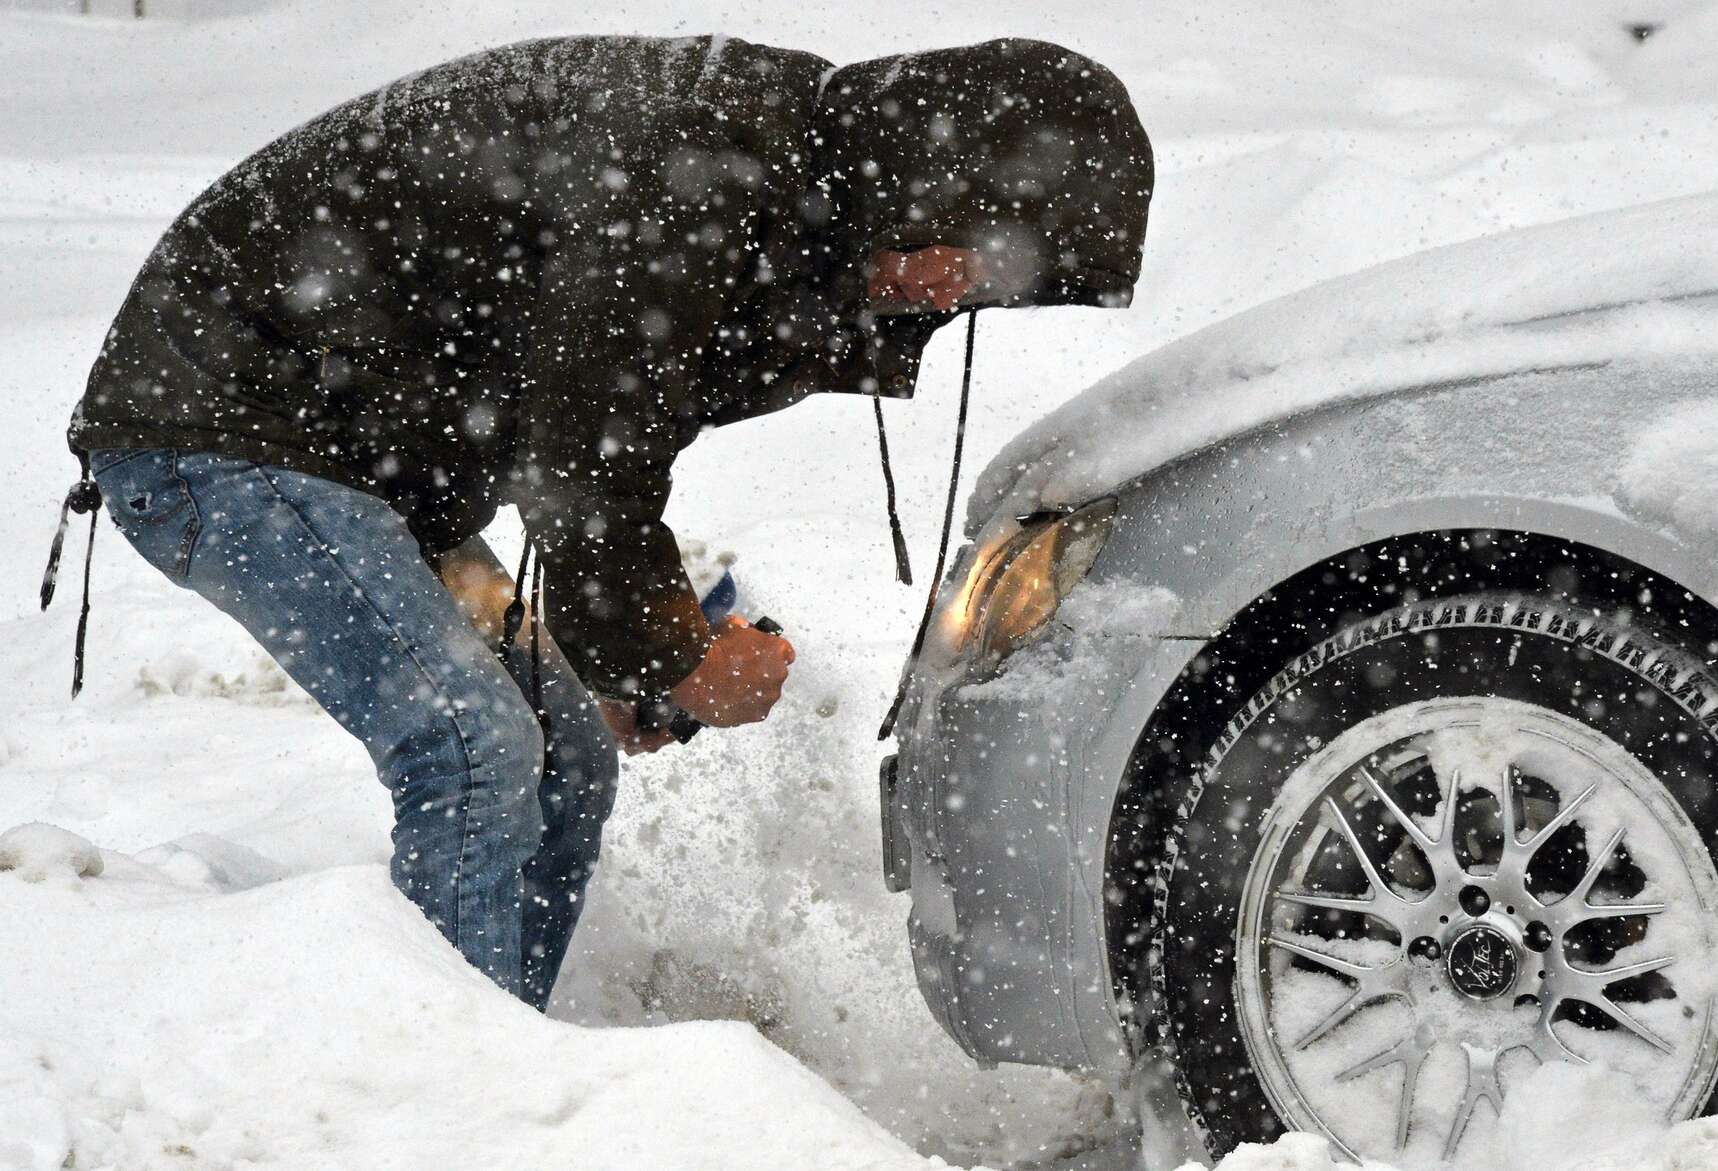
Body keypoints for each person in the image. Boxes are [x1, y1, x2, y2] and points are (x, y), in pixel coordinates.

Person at [49, 34, 1153, 1009]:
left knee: (566, 755)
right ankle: (444, 1096)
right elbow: (578, 460)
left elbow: (594, 435)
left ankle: (512, 1047)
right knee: (471, 751)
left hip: (362, 468)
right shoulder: (702, 177)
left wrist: (622, 661)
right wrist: (668, 654)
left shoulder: (788, 196)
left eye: (1003, 284)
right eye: (990, 253)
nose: (966, 292)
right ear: (940, 174)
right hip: (229, 429)